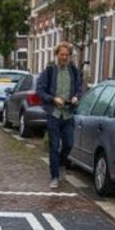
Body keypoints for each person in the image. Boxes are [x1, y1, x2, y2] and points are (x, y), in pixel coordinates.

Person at [36, 42, 82, 189]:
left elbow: (80, 88)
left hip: (68, 114)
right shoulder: (49, 71)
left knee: (69, 144)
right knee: (54, 146)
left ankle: (61, 163)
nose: (64, 57)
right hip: (54, 115)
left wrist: (76, 96)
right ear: (57, 55)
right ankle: (54, 176)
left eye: (67, 55)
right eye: (62, 55)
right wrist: (52, 99)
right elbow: (40, 91)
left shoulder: (74, 71)